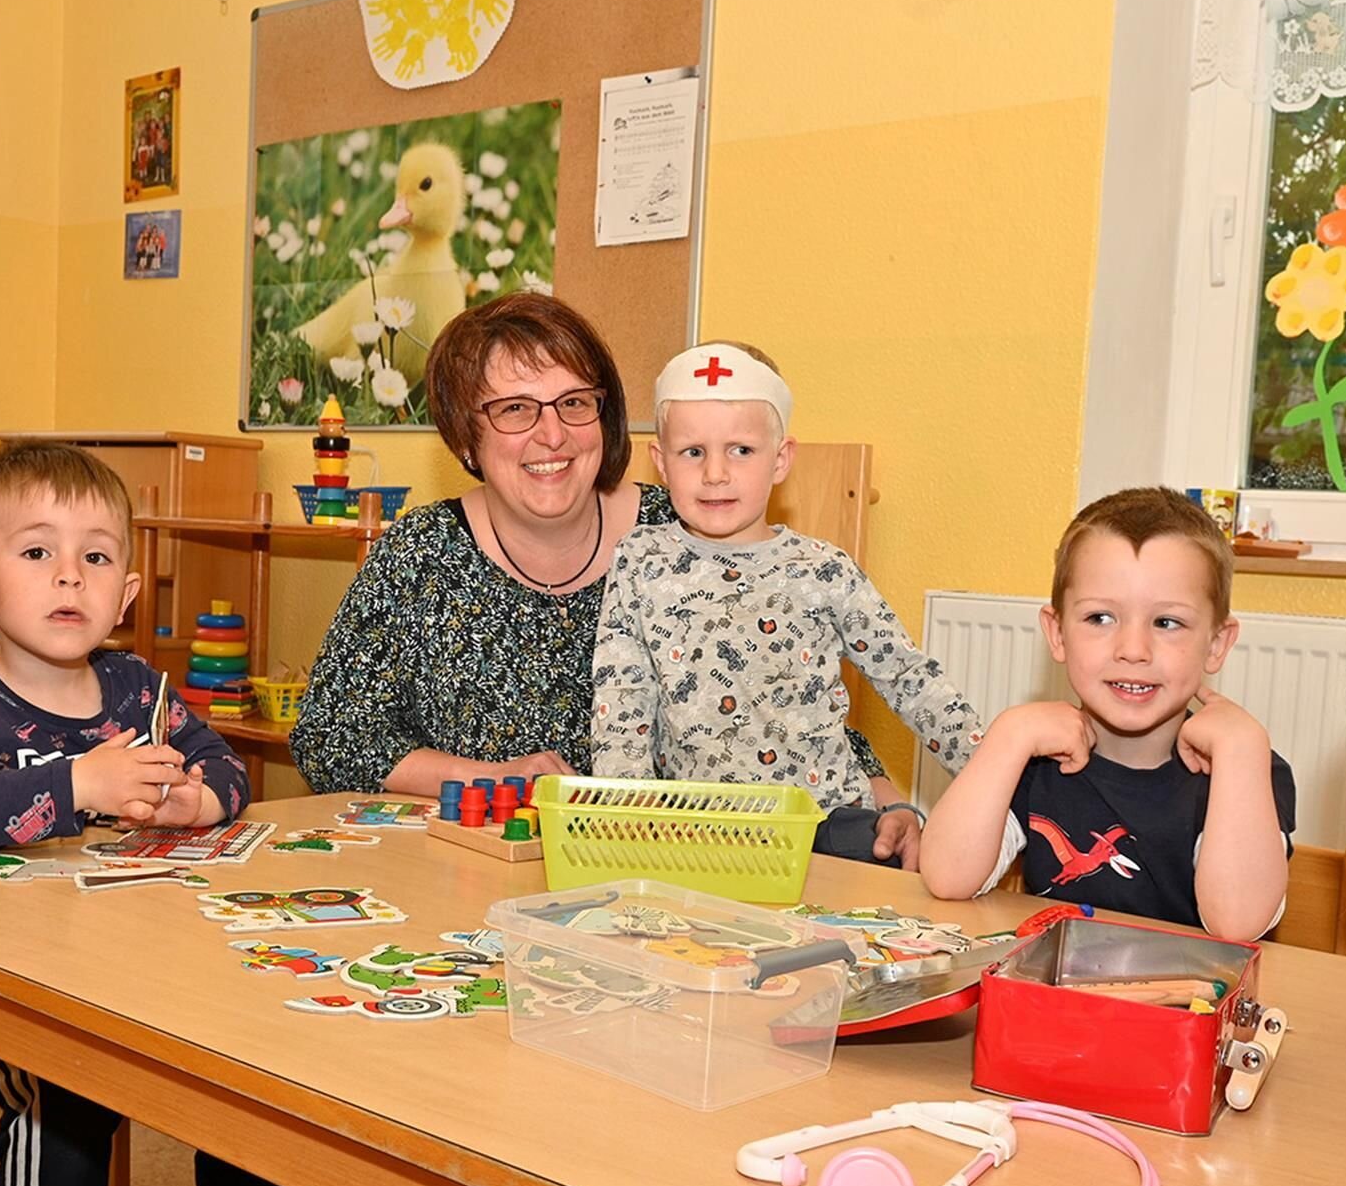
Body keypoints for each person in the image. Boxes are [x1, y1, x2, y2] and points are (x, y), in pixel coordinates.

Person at [0, 442, 331, 1186]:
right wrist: (76, 787)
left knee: (243, 1058)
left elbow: (222, 765)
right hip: (11, 994)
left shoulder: (140, 691)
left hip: (143, 971)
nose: (70, 577)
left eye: (96, 557)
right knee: (68, 1095)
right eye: (37, 551)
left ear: (126, 595)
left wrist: (198, 797)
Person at [290, 293, 922, 864]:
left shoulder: (691, 528)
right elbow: (331, 735)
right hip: (474, 868)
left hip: (687, 869)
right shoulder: (419, 553)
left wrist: (891, 808)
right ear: (465, 435)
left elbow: (789, 706)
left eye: (573, 402)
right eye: (515, 409)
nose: (553, 433)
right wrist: (495, 777)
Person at [589, 341, 978, 862]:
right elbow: (622, 698)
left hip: (826, 824)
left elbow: (910, 679)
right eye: (693, 452)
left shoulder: (823, 569)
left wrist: (1001, 778)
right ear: (661, 462)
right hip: (699, 832)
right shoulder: (640, 560)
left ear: (781, 460)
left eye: (741, 450)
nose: (715, 474)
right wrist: (623, 827)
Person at [920, 486, 1293, 941]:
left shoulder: (1246, 769)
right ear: (1057, 634)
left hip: (1182, 1004)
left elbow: (1238, 923)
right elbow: (945, 877)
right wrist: (1009, 735)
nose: (1133, 651)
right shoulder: (1035, 763)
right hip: (1056, 1001)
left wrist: (1241, 750)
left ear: (1216, 644)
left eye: (1166, 622)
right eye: (1100, 618)